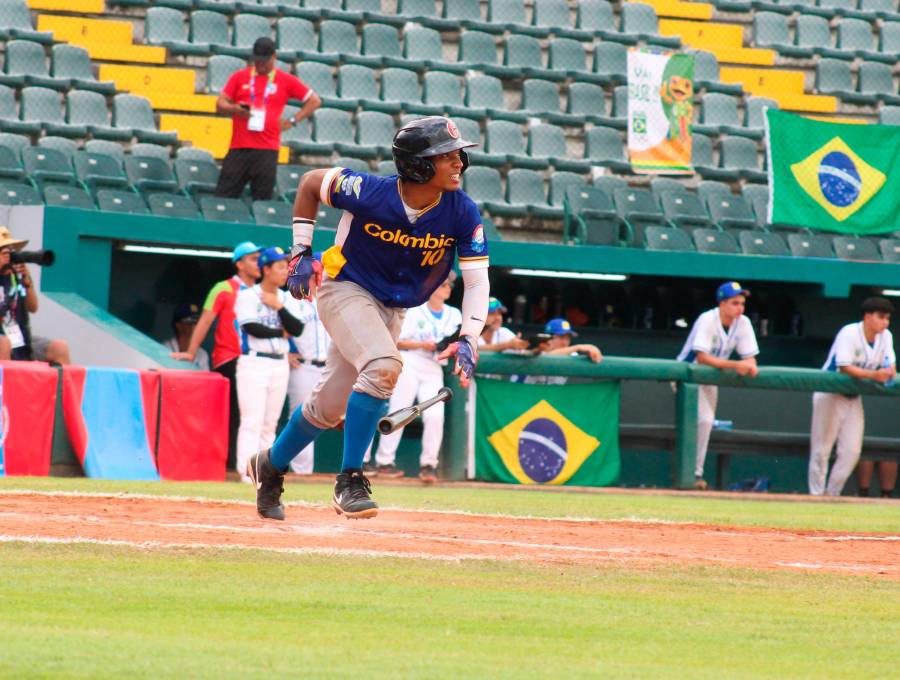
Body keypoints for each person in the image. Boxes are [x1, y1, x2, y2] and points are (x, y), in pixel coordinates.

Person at [247, 115, 490, 521]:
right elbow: (309, 184)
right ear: (417, 165)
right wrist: (301, 252)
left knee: (327, 407)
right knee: (383, 367)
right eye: (446, 156)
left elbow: (477, 281)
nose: (458, 163)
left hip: (392, 308)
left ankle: (269, 464)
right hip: (345, 290)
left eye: (458, 155)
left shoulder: (462, 211)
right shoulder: (368, 190)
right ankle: (350, 479)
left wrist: (470, 335)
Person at [171, 241, 262, 468]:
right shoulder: (223, 288)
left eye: (259, 258)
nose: (258, 262)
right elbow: (205, 320)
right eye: (252, 258)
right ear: (239, 264)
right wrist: (191, 352)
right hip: (229, 359)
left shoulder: (262, 292)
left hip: (255, 360)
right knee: (236, 415)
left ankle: (255, 465)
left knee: (255, 415)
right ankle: (233, 466)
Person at [371, 271, 462, 483]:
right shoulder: (415, 310)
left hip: (434, 366)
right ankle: (385, 462)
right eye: (442, 284)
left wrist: (443, 346)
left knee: (435, 415)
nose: (447, 287)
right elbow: (398, 341)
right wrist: (424, 344)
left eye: (449, 285)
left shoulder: (454, 314)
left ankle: (429, 465)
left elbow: (456, 341)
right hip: (411, 362)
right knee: (399, 411)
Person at [676, 282, 759, 490]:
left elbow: (750, 358)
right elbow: (702, 357)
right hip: (686, 376)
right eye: (734, 303)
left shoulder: (744, 322)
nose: (740, 307)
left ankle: (694, 473)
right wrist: (737, 365)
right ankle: (693, 475)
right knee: (704, 421)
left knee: (706, 422)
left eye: (742, 303)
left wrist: (750, 364)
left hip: (711, 380)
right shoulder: (708, 319)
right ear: (722, 303)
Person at [215, 37, 321, 200]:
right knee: (223, 197)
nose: (260, 65)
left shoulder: (285, 80)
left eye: (264, 61)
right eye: (257, 61)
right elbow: (220, 103)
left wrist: (292, 121)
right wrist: (234, 109)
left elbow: (314, 100)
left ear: (274, 57)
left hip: (267, 150)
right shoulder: (240, 77)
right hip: (239, 147)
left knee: (262, 199)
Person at [809, 297, 896, 497]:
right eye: (881, 317)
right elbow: (844, 367)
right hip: (829, 393)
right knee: (822, 450)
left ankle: (831, 495)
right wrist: (876, 375)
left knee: (852, 451)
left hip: (853, 397)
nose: (885, 322)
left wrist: (888, 370)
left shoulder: (886, 337)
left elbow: (890, 365)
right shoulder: (849, 332)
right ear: (867, 317)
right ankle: (815, 495)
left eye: (887, 318)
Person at [234, 247, 303, 482]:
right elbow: (251, 327)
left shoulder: (285, 297)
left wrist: (278, 307)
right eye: (280, 266)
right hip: (254, 362)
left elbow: (297, 329)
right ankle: (246, 472)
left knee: (270, 423)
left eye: (286, 266)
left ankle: (264, 472)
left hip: (279, 364)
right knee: (252, 421)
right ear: (266, 269)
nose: (285, 271)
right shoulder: (247, 295)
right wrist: (278, 331)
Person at [0, 227, 70, 365]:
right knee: (4, 344)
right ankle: (7, 386)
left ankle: (63, 386)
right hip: (3, 338)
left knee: (60, 347)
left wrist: (26, 281)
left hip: (18, 336)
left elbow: (33, 307)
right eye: (3, 251)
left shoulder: (14, 275)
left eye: (9, 250)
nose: (8, 255)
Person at [284, 295, 330, 475]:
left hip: (330, 366)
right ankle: (301, 473)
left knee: (347, 412)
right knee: (301, 415)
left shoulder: (332, 293)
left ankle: (359, 468)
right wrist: (285, 350)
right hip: (303, 365)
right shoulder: (288, 298)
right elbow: (278, 324)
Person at [163, 303, 209, 371]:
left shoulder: (202, 354)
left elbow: (205, 381)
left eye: (197, 321)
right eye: (190, 321)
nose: (195, 325)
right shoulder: (165, 349)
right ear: (179, 325)